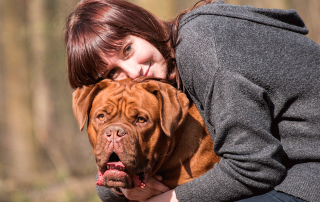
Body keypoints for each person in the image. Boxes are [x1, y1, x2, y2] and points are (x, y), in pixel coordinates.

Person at [64, 0, 320, 201]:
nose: (133, 73)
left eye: (127, 49)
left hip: (308, 172)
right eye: (113, 73)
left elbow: (255, 167)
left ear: (140, 23)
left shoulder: (203, 51)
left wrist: (168, 200)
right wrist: (121, 187)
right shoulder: (166, 74)